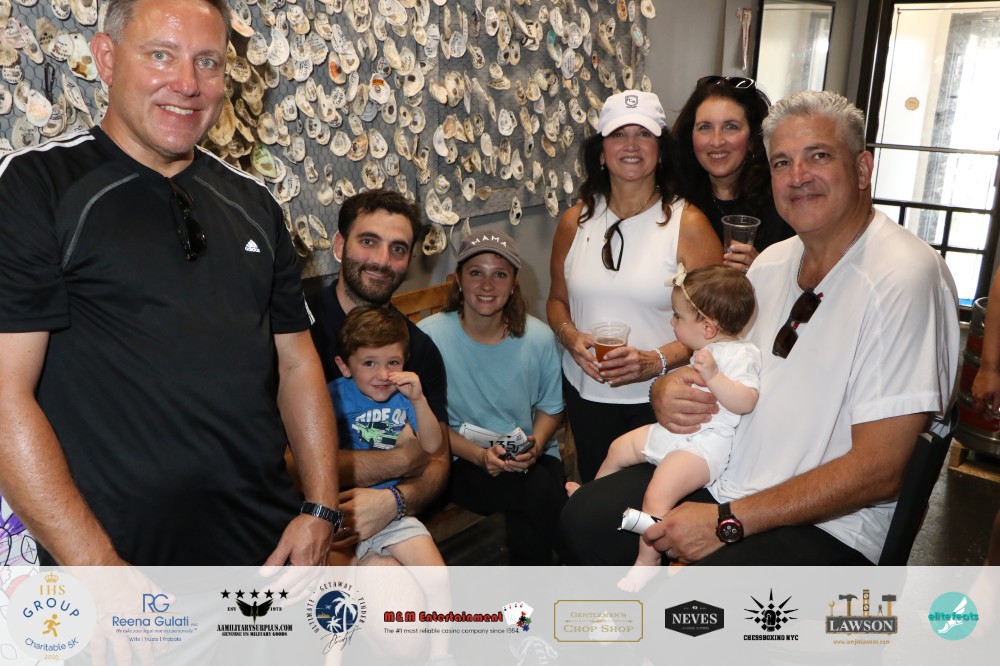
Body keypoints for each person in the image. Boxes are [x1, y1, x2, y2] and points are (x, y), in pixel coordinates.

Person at [0, 0, 338, 567]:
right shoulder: (37, 186)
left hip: (268, 557)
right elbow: (5, 395)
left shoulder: (255, 203)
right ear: (106, 59)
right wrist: (99, 571)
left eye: (208, 62)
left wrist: (321, 509)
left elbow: (298, 364)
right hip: (118, 570)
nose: (187, 84)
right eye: (161, 55)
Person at [561, 90, 959, 566]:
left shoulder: (904, 275)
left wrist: (727, 523)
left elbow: (879, 470)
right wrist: (668, 387)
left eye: (819, 156)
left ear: (862, 169)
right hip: (732, 476)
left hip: (828, 525)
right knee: (586, 516)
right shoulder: (771, 262)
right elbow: (724, 357)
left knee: (686, 595)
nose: (798, 176)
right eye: (782, 163)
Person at [547, 89, 723, 482]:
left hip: (663, 400)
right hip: (586, 397)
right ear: (601, 151)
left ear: (660, 152)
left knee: (652, 506)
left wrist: (655, 360)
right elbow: (556, 301)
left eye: (643, 134)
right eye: (618, 134)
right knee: (595, 497)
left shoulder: (689, 225)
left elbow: (720, 328)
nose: (631, 145)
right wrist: (571, 337)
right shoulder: (574, 222)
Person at [567, 265, 759, 588]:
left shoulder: (742, 354)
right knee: (619, 447)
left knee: (656, 495)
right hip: (677, 433)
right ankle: (591, 492)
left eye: (677, 317)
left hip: (703, 447)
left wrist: (714, 377)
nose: (672, 322)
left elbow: (746, 401)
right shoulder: (706, 349)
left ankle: (648, 560)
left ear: (707, 327)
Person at [306, 189, 450, 559]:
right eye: (369, 241)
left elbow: (438, 462)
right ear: (340, 245)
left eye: (397, 249)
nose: (382, 261)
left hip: (389, 520)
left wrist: (394, 502)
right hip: (305, 520)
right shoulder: (296, 329)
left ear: (410, 260)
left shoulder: (419, 349)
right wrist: (400, 461)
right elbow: (285, 462)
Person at [419, 230, 566, 565]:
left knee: (533, 496)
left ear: (514, 283)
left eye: (499, 274)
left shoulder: (538, 338)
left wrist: (536, 445)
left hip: (529, 456)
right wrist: (480, 456)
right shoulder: (429, 339)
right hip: (460, 459)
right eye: (476, 273)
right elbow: (424, 424)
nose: (487, 285)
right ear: (458, 280)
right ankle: (584, 566)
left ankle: (534, 589)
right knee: (538, 494)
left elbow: (550, 408)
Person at [328, 306, 453, 665]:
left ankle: (441, 655)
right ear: (345, 365)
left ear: (405, 362)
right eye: (369, 363)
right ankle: (332, 655)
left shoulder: (404, 398)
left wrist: (418, 399)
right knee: (336, 589)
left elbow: (433, 446)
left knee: (437, 577)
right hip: (346, 515)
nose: (383, 375)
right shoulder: (332, 396)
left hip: (395, 514)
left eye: (392, 362)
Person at [672, 76, 795, 271]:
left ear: (753, 138)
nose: (717, 141)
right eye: (705, 127)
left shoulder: (783, 202)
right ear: (691, 137)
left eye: (731, 127)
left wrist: (762, 270)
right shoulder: (674, 199)